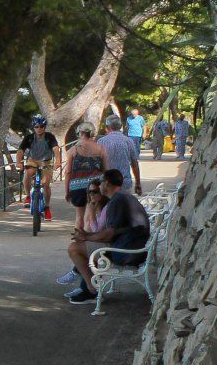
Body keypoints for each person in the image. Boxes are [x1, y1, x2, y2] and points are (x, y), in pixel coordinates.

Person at [65, 170, 151, 304]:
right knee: (87, 247)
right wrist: (87, 236)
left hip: (127, 251)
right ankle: (88, 288)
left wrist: (85, 237)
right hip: (133, 246)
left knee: (74, 248)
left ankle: (91, 290)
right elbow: (110, 232)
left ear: (107, 183)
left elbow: (108, 235)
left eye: (101, 182)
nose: (99, 186)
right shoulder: (123, 196)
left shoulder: (117, 201)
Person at [63, 124, 108, 233]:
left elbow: (68, 172)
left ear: (80, 133)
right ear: (92, 133)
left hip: (77, 187)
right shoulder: (100, 148)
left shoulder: (73, 150)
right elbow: (105, 170)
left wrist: (67, 191)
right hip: (95, 186)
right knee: (92, 216)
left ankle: (78, 240)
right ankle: (92, 240)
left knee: (79, 217)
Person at [13, 115, 60, 219]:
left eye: (42, 126)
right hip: (33, 160)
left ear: (44, 127)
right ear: (33, 127)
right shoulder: (29, 138)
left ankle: (47, 207)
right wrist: (18, 162)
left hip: (46, 162)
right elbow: (20, 150)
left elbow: (56, 149)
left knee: (46, 184)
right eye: (37, 127)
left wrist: (58, 161)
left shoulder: (49, 137)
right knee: (27, 173)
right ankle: (28, 196)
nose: (39, 129)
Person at [98, 113, 143, 195]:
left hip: (107, 183)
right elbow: (134, 164)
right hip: (124, 183)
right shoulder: (128, 141)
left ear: (107, 127)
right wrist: (138, 183)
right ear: (120, 126)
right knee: (123, 203)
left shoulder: (101, 142)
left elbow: (98, 164)